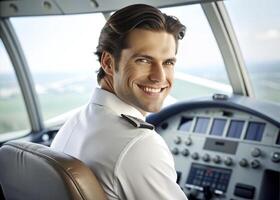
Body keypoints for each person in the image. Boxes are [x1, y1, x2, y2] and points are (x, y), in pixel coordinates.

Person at [51, 4, 187, 200]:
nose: (159, 77)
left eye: (168, 63)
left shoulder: (74, 123)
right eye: (144, 60)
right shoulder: (139, 145)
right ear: (107, 62)